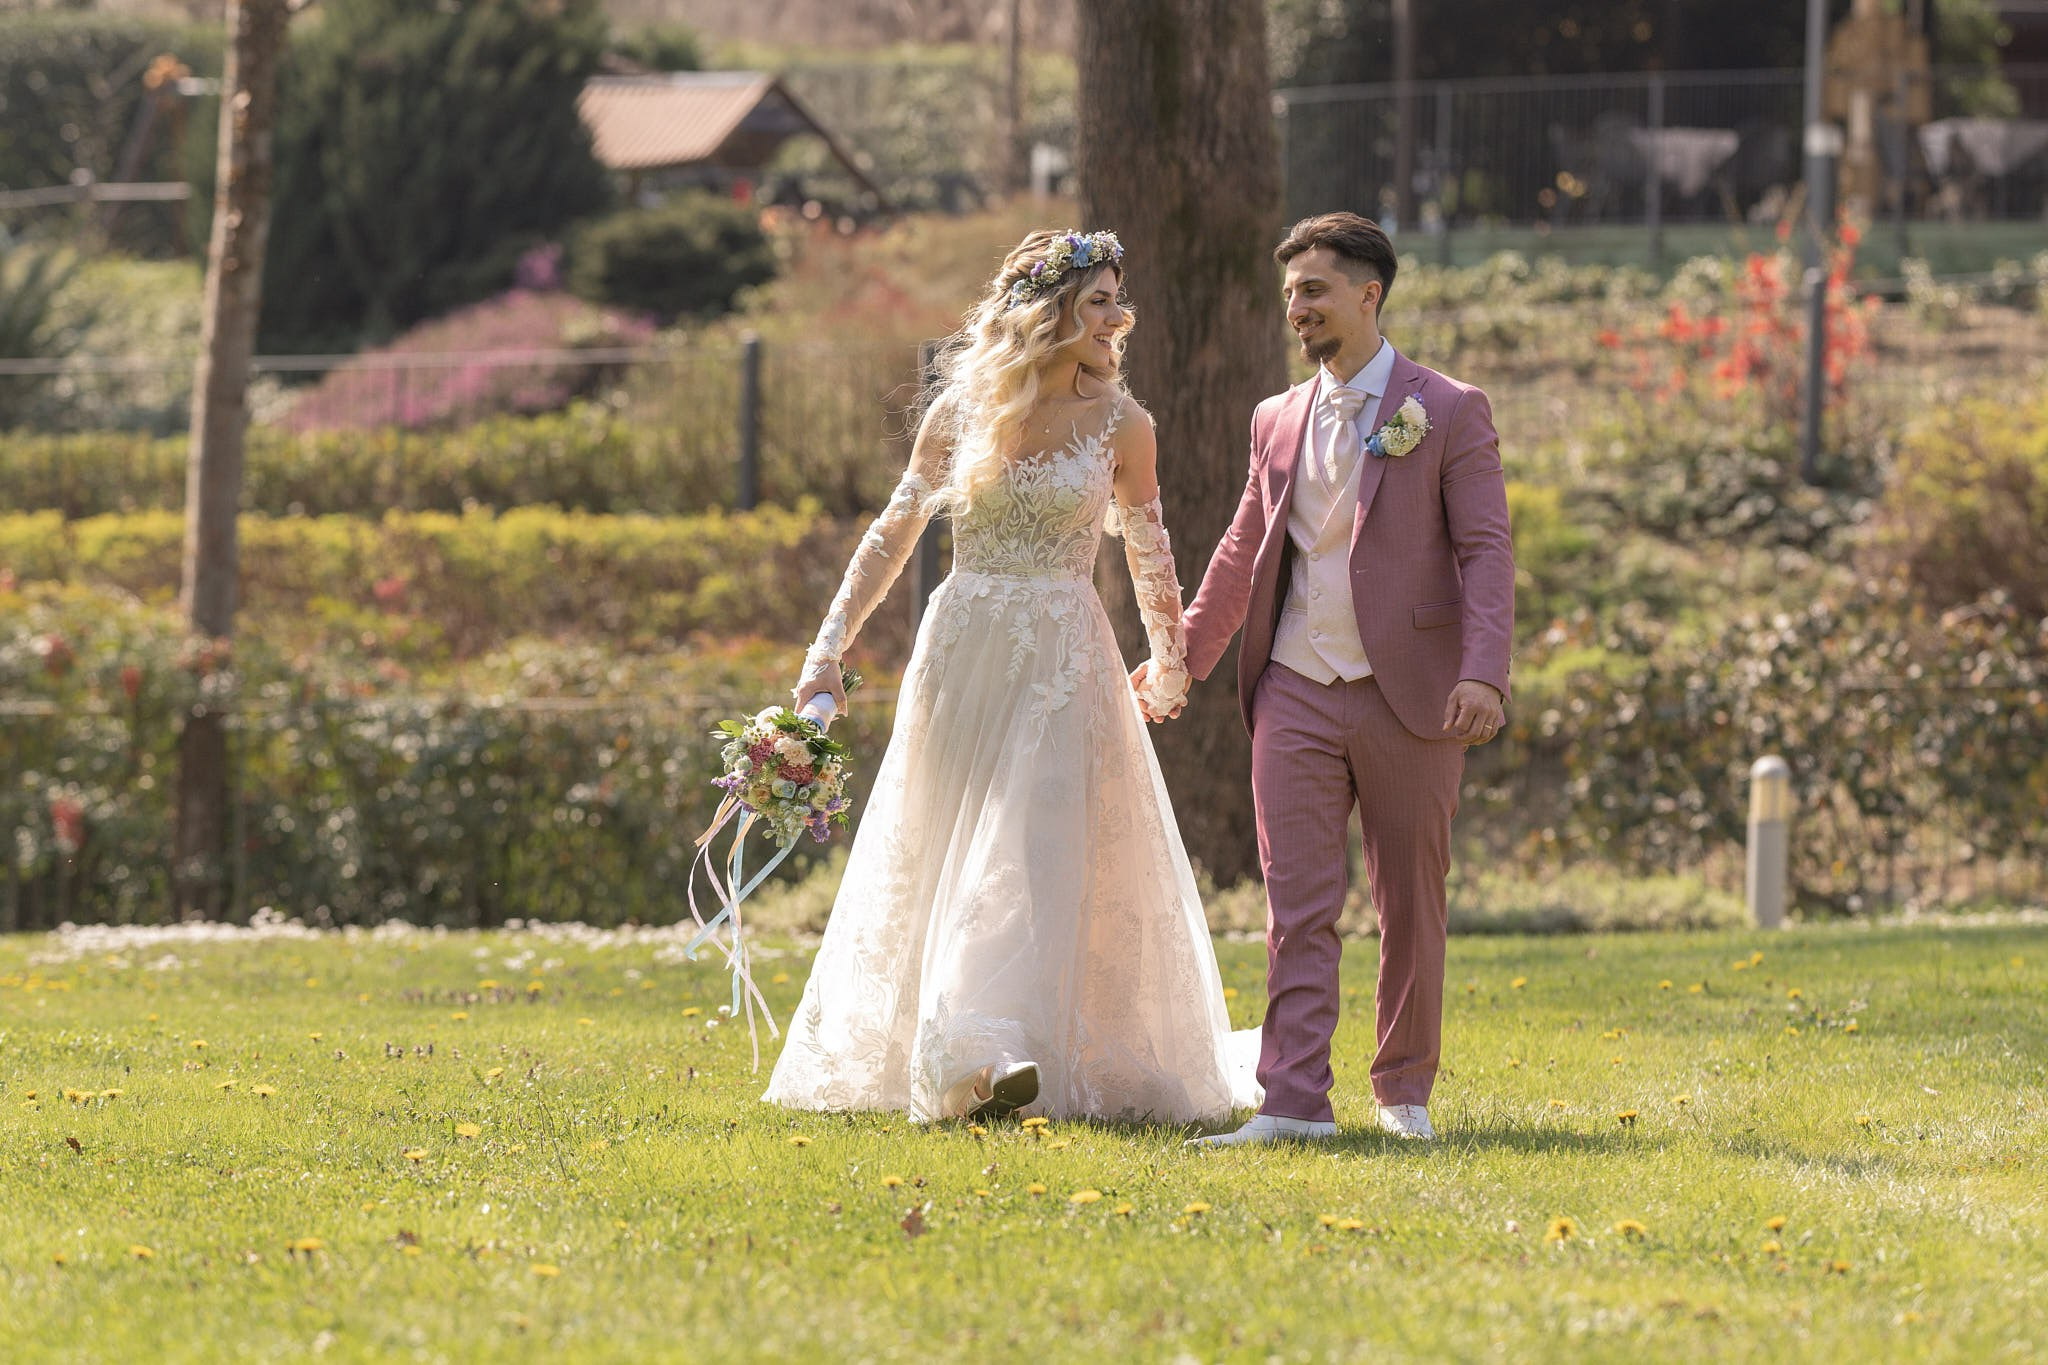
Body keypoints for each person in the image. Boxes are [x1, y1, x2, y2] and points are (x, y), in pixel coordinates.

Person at [763, 229, 1240, 1125]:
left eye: (1118, 300)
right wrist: (827, 647)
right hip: (964, 646)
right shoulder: (959, 417)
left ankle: (987, 1048)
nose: (1118, 316)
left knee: (1037, 836)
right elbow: (890, 536)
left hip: (1065, 653)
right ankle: (960, 1051)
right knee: (944, 830)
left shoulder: (1123, 426)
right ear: (1049, 312)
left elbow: (1149, 552)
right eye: (1099, 300)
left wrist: (1170, 663)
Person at [1152, 212, 1515, 1146]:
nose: (1297, 309)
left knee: (1410, 902)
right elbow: (1244, 548)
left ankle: (1402, 1090)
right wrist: (1184, 656)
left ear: (1369, 294)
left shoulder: (1450, 407)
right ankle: (1292, 1103)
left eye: (1313, 290)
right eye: (1288, 295)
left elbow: (1485, 552)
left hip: (1417, 693)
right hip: (1295, 687)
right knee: (1296, 906)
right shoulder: (1274, 418)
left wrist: (1486, 674)